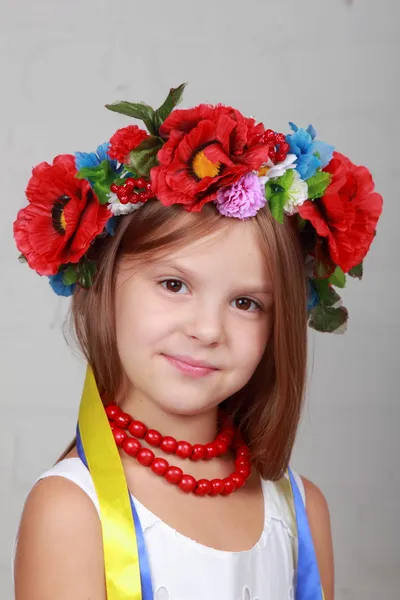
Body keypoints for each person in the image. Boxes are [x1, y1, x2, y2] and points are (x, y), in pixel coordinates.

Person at [12, 84, 383, 600]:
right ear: (103, 285)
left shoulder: (301, 513)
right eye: (174, 285)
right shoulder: (73, 511)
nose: (208, 331)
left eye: (246, 303)